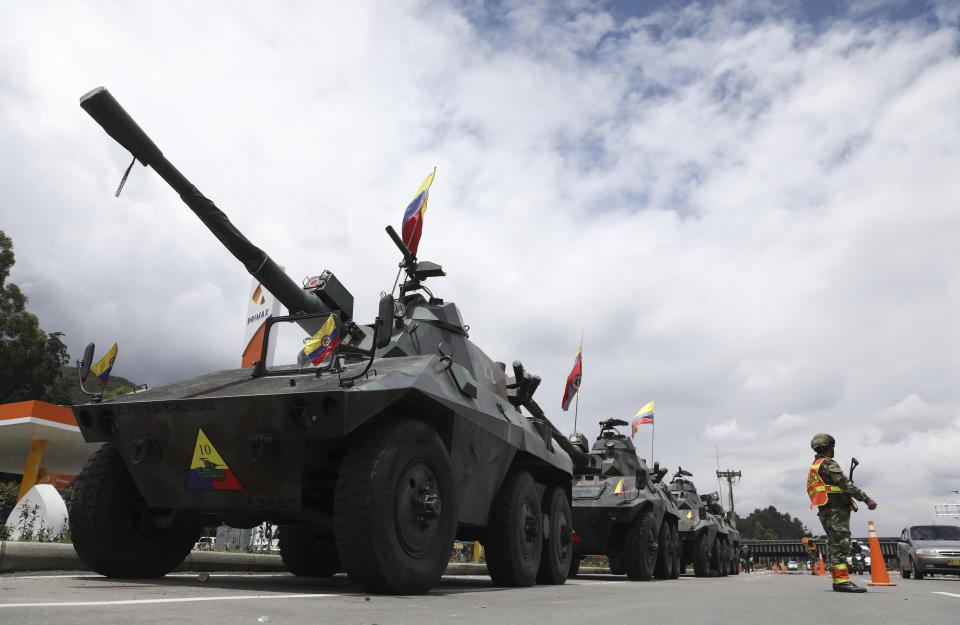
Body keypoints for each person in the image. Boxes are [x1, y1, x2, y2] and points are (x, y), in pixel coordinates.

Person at [807, 433, 877, 593]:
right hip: (835, 510)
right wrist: (866, 499)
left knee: (835, 545)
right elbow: (844, 484)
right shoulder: (828, 463)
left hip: (825, 509)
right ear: (829, 447)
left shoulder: (815, 466)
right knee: (840, 545)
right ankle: (842, 582)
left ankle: (839, 580)